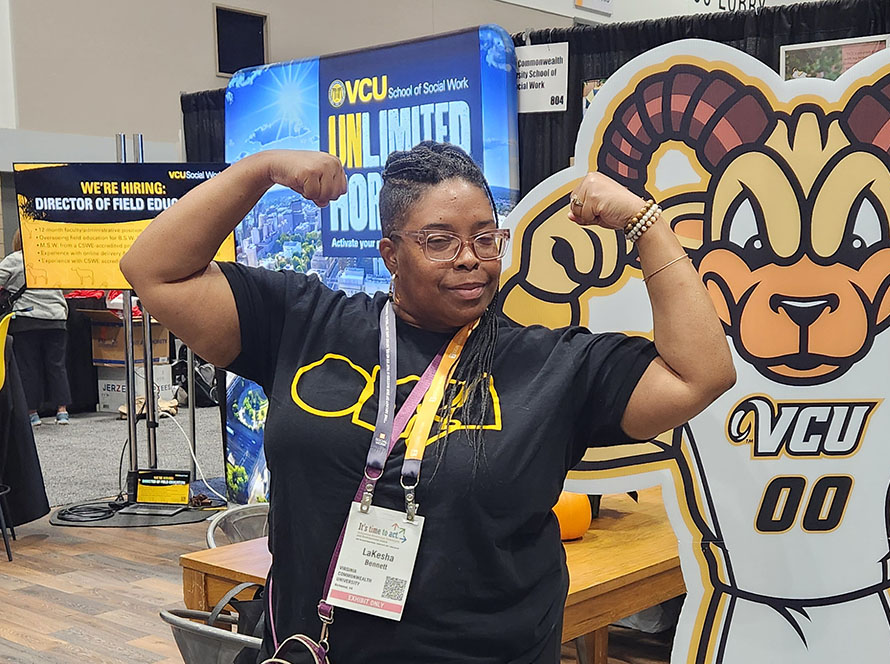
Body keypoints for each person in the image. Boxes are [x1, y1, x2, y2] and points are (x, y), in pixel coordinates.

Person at [121, 143, 735, 663]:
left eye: (484, 237)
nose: (470, 257)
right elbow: (153, 271)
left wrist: (644, 225)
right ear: (391, 254)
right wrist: (258, 172)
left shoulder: (552, 364)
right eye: (439, 240)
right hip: (319, 649)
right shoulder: (304, 323)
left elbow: (700, 375)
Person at [0, 229, 71, 426]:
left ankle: (32, 414)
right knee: (57, 366)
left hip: (27, 319)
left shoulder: (15, 259)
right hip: (57, 318)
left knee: (28, 367)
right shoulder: (51, 259)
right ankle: (62, 411)